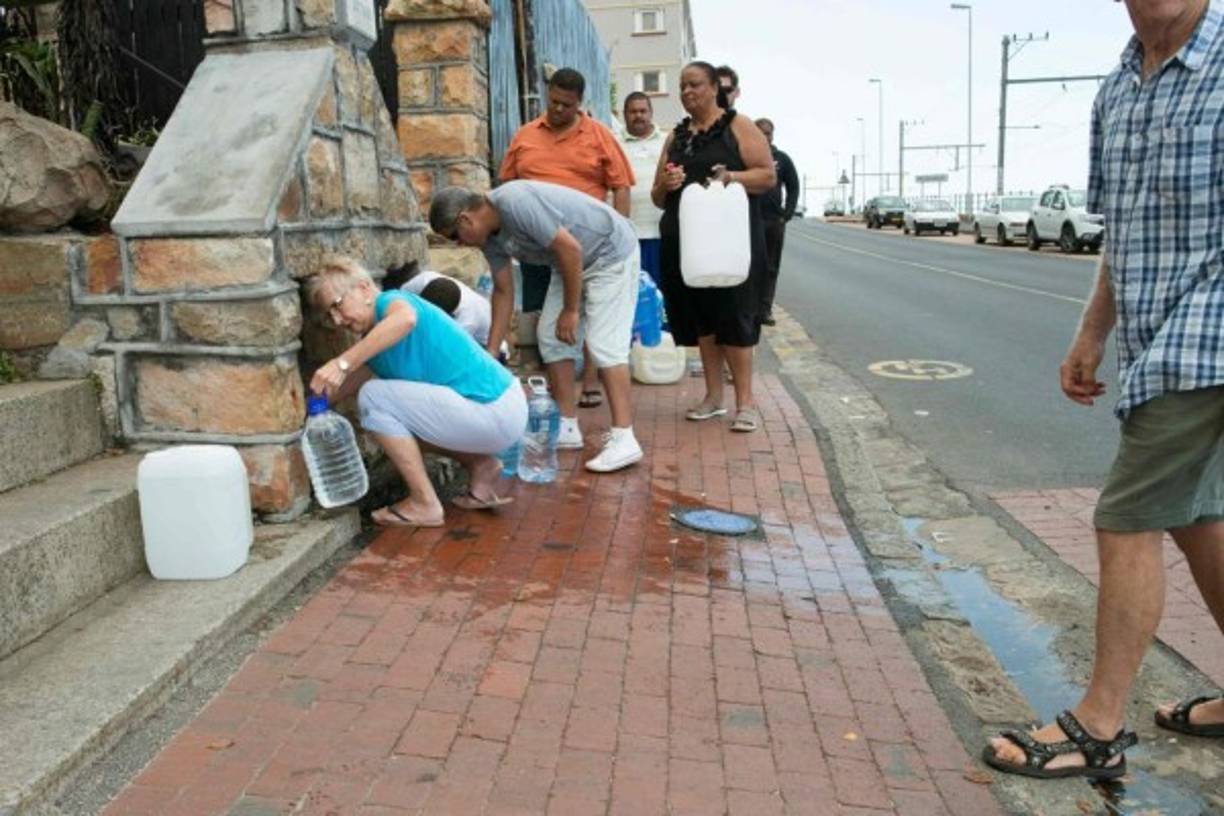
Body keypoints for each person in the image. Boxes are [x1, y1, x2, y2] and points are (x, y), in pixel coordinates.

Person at [984, 0, 1224, 781]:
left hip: (1207, 336)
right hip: (1160, 334)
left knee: (1126, 516)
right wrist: (1093, 333)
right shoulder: (1120, 87)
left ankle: (1100, 722)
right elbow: (1124, 230)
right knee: (1194, 515)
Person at [429, 181, 644, 473]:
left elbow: (570, 248)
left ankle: (624, 437)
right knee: (550, 336)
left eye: (455, 236)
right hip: (568, 261)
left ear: (465, 219)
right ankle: (567, 426)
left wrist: (570, 310)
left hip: (610, 251)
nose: (460, 244)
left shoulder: (515, 202)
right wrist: (491, 351)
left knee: (604, 343)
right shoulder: (489, 239)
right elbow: (503, 290)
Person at [304, 256, 527, 527]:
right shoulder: (376, 344)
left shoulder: (392, 302)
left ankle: (425, 504)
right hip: (499, 412)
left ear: (364, 289)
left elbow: (405, 319)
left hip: (495, 408)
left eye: (337, 306)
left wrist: (342, 362)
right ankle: (481, 465)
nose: (337, 320)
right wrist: (306, 409)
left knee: (373, 398)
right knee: (392, 421)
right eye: (329, 315)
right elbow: (345, 385)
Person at [500, 67, 635, 411]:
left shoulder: (599, 135)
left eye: (567, 105)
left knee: (587, 313)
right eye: (554, 102)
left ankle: (589, 381)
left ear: (580, 103)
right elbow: (507, 184)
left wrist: (619, 230)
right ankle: (556, 390)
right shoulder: (526, 135)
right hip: (538, 245)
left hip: (588, 244)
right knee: (545, 318)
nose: (558, 110)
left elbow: (620, 185)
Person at [651, 61, 775, 433]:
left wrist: (732, 176)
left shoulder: (738, 125)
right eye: (683, 87)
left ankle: (746, 403)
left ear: (713, 88)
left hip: (731, 240)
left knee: (735, 316)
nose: (688, 92)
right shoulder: (676, 137)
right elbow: (657, 196)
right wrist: (668, 185)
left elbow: (767, 175)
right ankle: (713, 397)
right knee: (702, 318)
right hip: (687, 243)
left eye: (696, 85)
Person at [616, 91, 668, 288]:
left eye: (643, 111)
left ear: (651, 113)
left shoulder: (667, 141)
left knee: (659, 294)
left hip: (659, 232)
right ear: (624, 114)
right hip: (626, 236)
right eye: (633, 111)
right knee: (630, 294)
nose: (638, 115)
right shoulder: (612, 142)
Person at [754, 118, 800, 326]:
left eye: (768, 133)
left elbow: (793, 186)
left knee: (771, 268)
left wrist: (786, 213)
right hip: (751, 220)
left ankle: (765, 310)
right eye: (760, 133)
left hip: (773, 221)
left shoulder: (782, 159)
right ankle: (750, 309)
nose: (765, 137)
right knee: (751, 266)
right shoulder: (746, 157)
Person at [385, 263, 493, 347]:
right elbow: (396, 298)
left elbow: (446, 348)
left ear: (448, 315)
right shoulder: (423, 280)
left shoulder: (468, 319)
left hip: (483, 343)